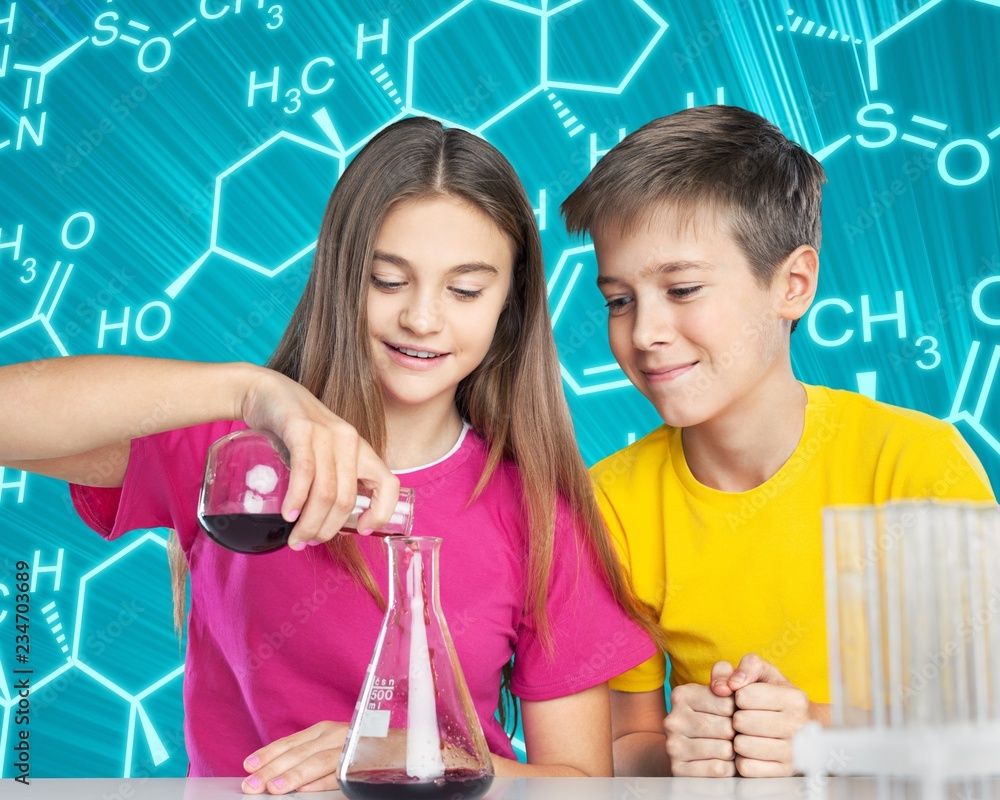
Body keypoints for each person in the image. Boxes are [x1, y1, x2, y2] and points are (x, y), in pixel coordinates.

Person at [0, 117, 664, 793]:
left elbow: (581, 783)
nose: (423, 319)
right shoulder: (233, 459)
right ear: (342, 279)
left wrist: (409, 754)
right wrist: (251, 390)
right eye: (386, 280)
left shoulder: (537, 516)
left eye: (465, 290)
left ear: (508, 307)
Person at [560, 105, 996, 779]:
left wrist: (820, 736)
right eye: (620, 299)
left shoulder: (914, 465)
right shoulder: (610, 504)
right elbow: (624, 747)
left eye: (681, 288)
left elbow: (984, 736)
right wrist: (686, 751)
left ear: (792, 284)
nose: (644, 331)